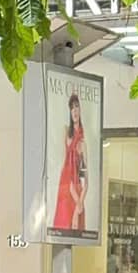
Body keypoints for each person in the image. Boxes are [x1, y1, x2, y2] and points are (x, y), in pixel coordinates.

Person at [52, 93, 88, 233]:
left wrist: (79, 204)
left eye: (77, 107)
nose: (75, 111)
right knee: (62, 226)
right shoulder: (66, 132)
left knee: (75, 227)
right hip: (65, 188)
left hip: (76, 191)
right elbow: (63, 163)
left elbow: (85, 179)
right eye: (72, 108)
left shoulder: (82, 144)